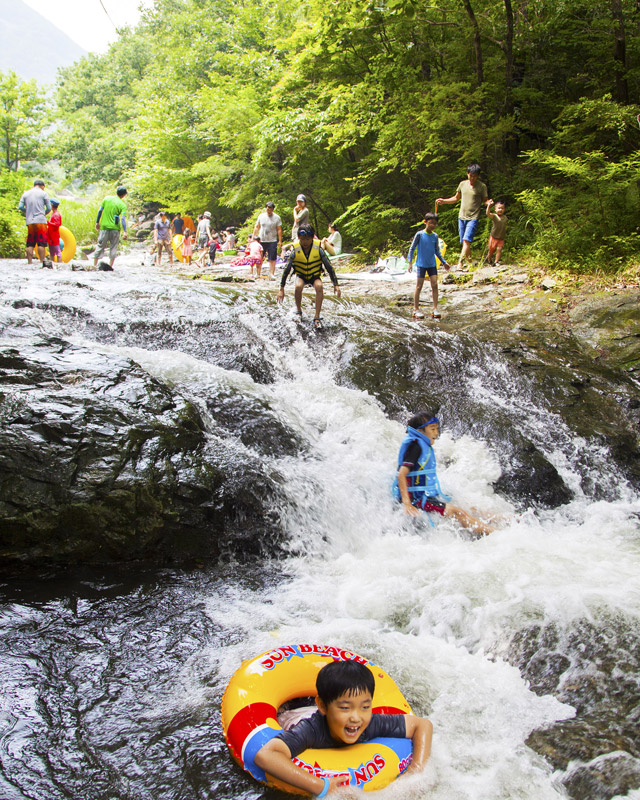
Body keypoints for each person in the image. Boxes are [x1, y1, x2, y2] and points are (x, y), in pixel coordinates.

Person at [254, 659, 433, 797]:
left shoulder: (369, 723)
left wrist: (415, 771)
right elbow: (266, 755)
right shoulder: (311, 730)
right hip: (294, 715)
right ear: (323, 706)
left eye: (365, 706)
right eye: (346, 708)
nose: (356, 718)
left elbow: (422, 724)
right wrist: (321, 786)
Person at [393, 412, 495, 536]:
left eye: (437, 429)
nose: (436, 433)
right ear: (421, 431)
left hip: (426, 494)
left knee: (469, 507)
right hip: (417, 499)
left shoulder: (422, 444)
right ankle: (496, 534)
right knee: (458, 512)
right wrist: (407, 504)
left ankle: (505, 521)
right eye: (432, 429)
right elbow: (401, 474)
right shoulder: (416, 447)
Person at [277, 225, 341, 328]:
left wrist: (336, 285)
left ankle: (317, 316)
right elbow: (287, 270)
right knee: (298, 286)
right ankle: (298, 311)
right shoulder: (295, 250)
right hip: (301, 275)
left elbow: (329, 267)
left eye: (307, 239)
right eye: (302, 239)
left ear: (312, 238)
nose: (305, 242)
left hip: (314, 276)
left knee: (319, 286)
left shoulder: (318, 249)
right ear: (299, 238)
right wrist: (281, 289)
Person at [436, 163, 490, 270]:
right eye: (470, 175)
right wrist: (444, 201)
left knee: (466, 240)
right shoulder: (462, 184)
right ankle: (469, 263)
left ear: (478, 176)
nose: (472, 178)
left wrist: (489, 203)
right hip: (461, 217)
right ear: (467, 174)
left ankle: (460, 263)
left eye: (475, 176)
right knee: (464, 242)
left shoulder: (481, 186)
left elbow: (485, 201)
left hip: (473, 217)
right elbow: (456, 198)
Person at [407, 212, 450, 320]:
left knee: (434, 285)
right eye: (431, 223)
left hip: (432, 264)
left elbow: (437, 251)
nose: (433, 225)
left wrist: (444, 262)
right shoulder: (419, 234)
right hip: (421, 264)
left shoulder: (435, 236)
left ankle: (435, 308)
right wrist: (410, 262)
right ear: (425, 222)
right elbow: (412, 248)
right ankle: (416, 309)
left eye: (435, 224)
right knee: (419, 286)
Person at [18, 178, 52, 266]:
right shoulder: (44, 193)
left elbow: (20, 207)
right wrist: (43, 213)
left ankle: (29, 262)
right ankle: (41, 262)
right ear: (42, 186)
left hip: (30, 221)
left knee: (30, 242)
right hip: (40, 221)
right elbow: (49, 208)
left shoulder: (26, 193)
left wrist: (28, 211)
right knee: (41, 242)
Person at [93, 186, 128, 269]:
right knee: (113, 247)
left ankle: (94, 266)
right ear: (123, 195)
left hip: (104, 227)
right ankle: (110, 267)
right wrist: (125, 231)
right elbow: (122, 219)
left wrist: (97, 222)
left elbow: (100, 210)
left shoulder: (106, 199)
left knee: (100, 245)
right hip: (115, 229)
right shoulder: (122, 205)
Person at [253, 201, 283, 279]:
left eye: (270, 209)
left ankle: (271, 274)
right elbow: (257, 227)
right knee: (259, 257)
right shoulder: (261, 216)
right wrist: (253, 238)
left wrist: (280, 240)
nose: (268, 211)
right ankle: (258, 273)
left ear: (273, 209)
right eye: (267, 209)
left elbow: (279, 229)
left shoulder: (277, 217)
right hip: (261, 240)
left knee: (272, 258)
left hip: (272, 240)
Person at [486, 199, 508, 265]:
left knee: (499, 249)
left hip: (501, 237)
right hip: (494, 237)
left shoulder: (505, 218)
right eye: (499, 208)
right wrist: (489, 206)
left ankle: (496, 261)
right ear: (495, 209)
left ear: (504, 209)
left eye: (502, 208)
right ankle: (489, 259)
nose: (500, 210)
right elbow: (488, 214)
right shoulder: (494, 216)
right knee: (491, 250)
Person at [47, 198, 62, 266]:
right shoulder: (53, 214)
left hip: (54, 235)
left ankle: (59, 265)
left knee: (57, 251)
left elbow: (57, 224)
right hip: (51, 235)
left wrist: (48, 223)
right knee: (51, 252)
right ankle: (52, 265)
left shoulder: (56, 214)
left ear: (52, 205)